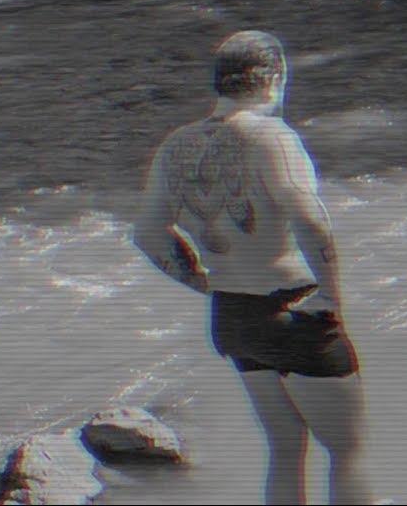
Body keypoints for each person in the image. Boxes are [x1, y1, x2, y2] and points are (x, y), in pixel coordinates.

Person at [132, 30, 376, 505]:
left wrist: (201, 282)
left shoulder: (176, 146)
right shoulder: (273, 136)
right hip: (294, 312)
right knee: (348, 450)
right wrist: (332, 294)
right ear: (274, 78)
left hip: (234, 317)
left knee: (285, 447)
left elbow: (147, 234)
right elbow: (309, 218)